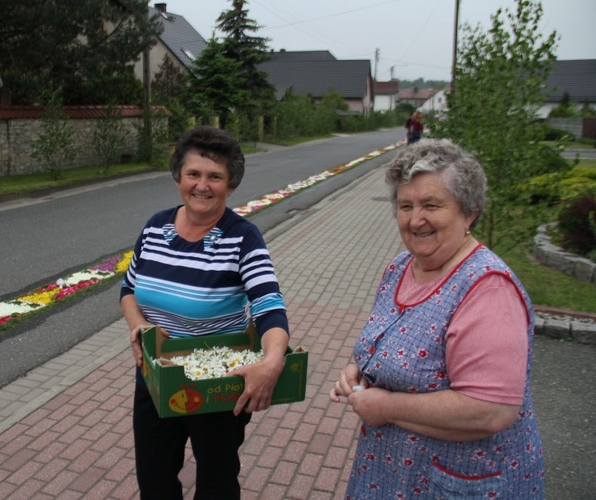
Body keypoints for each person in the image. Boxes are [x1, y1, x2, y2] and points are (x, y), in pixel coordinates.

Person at [330, 139, 544, 498]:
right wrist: (363, 369)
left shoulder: (488, 289)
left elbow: (490, 411)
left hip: (462, 481)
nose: (416, 219)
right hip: (393, 472)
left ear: (470, 211)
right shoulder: (400, 267)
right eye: (406, 206)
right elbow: (395, 342)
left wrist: (385, 406)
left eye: (432, 205)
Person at [120, 125, 290, 499]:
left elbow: (269, 305)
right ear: (178, 177)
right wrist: (139, 326)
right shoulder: (154, 227)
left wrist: (273, 360)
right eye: (193, 174)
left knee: (217, 481)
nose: (202, 185)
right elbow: (129, 289)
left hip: (217, 380)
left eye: (215, 176)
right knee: (154, 478)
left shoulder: (243, 237)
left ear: (231, 185)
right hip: (156, 374)